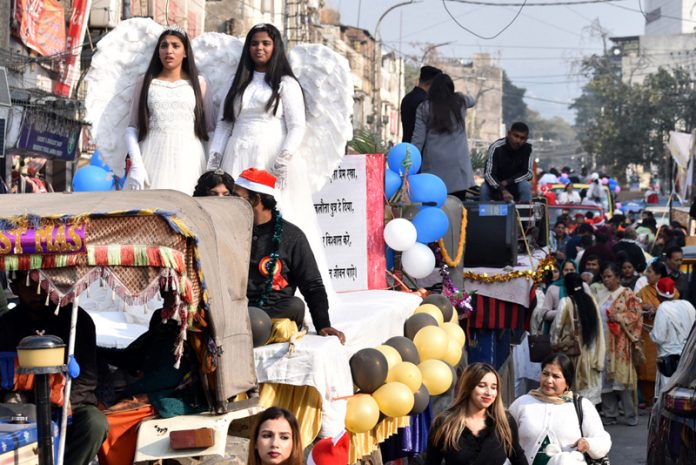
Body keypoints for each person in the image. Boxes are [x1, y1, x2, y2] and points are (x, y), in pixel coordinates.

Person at [207, 23, 333, 299]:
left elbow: (297, 125)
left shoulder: (286, 84)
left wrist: (284, 158)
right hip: (237, 153)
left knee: (275, 216)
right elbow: (224, 124)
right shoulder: (237, 83)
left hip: (270, 153)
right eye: (254, 43)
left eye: (265, 43)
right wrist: (214, 159)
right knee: (234, 216)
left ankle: (279, 286)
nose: (259, 48)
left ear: (275, 47)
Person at [0, 271, 109, 465]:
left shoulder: (77, 321)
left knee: (95, 423)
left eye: (41, 284)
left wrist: (65, 401)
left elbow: (87, 378)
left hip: (67, 402)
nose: (37, 292)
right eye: (28, 285)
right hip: (16, 405)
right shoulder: (6, 325)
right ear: (15, 288)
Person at [233, 168, 345, 343]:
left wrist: (323, 323)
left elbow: (312, 285)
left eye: (237, 198)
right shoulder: (231, 231)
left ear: (256, 200)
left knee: (295, 305)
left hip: (273, 311)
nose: (231, 202)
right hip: (237, 308)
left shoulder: (291, 236)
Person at [124, 26, 214, 194]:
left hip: (189, 158)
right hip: (152, 156)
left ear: (185, 52)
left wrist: (212, 170)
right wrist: (137, 165)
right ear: (158, 51)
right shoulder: (145, 83)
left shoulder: (199, 84)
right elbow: (131, 128)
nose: (169, 50)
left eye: (175, 45)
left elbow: (210, 130)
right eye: (164, 45)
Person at [509, 353, 611, 465]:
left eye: (556, 376)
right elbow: (503, 440)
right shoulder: (522, 404)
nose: (548, 380)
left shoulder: (581, 406)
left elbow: (603, 440)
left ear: (567, 382)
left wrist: (588, 443)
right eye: (545, 374)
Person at [425, 363, 527, 465]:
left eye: (493, 387)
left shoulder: (505, 422)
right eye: (482, 386)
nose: (489, 392)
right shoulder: (444, 423)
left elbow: (518, 458)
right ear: (468, 387)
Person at [411, 73, 476, 200]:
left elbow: (418, 140)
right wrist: (458, 95)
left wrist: (409, 163)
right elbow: (472, 100)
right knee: (456, 207)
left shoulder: (424, 107)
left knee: (435, 205)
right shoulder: (460, 102)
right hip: (458, 167)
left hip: (434, 166)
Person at [593, 262, 643, 426]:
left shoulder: (627, 294)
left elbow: (636, 315)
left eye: (609, 276)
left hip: (620, 344)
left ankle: (630, 414)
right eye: (604, 277)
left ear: (618, 277)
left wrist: (620, 318)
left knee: (623, 381)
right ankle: (610, 412)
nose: (606, 280)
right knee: (605, 379)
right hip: (603, 342)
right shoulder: (600, 295)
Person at [551, 273, 606, 404]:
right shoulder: (591, 300)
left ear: (566, 287)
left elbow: (556, 330)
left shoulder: (566, 302)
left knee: (571, 396)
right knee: (588, 401)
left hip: (572, 355)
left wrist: (554, 345)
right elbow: (599, 329)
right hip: (591, 354)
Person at [635, 260, 675, 406]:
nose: (647, 274)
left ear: (659, 275)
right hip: (647, 335)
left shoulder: (670, 290)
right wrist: (644, 307)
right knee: (646, 369)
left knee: (662, 371)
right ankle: (648, 399)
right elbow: (634, 304)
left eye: (651, 272)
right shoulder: (643, 291)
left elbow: (671, 308)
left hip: (664, 338)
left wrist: (657, 310)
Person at [650, 277, 696, 396]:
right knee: (688, 392)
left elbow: (659, 337)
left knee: (669, 393)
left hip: (670, 361)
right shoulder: (687, 305)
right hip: (689, 357)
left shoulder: (663, 308)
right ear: (674, 291)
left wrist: (651, 333)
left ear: (657, 293)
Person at [480, 122, 533, 203]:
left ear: (526, 139)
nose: (518, 140)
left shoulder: (528, 149)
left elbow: (528, 173)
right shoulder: (496, 147)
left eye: (522, 138)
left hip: (515, 185)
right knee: (484, 188)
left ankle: (524, 213)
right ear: (508, 134)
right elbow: (488, 174)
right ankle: (484, 214)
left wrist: (508, 182)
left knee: (525, 185)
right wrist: (502, 189)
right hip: (496, 186)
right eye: (516, 136)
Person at [401, 65, 442, 143]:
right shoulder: (425, 102)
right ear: (430, 84)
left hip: (406, 146)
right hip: (419, 149)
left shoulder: (407, 98)